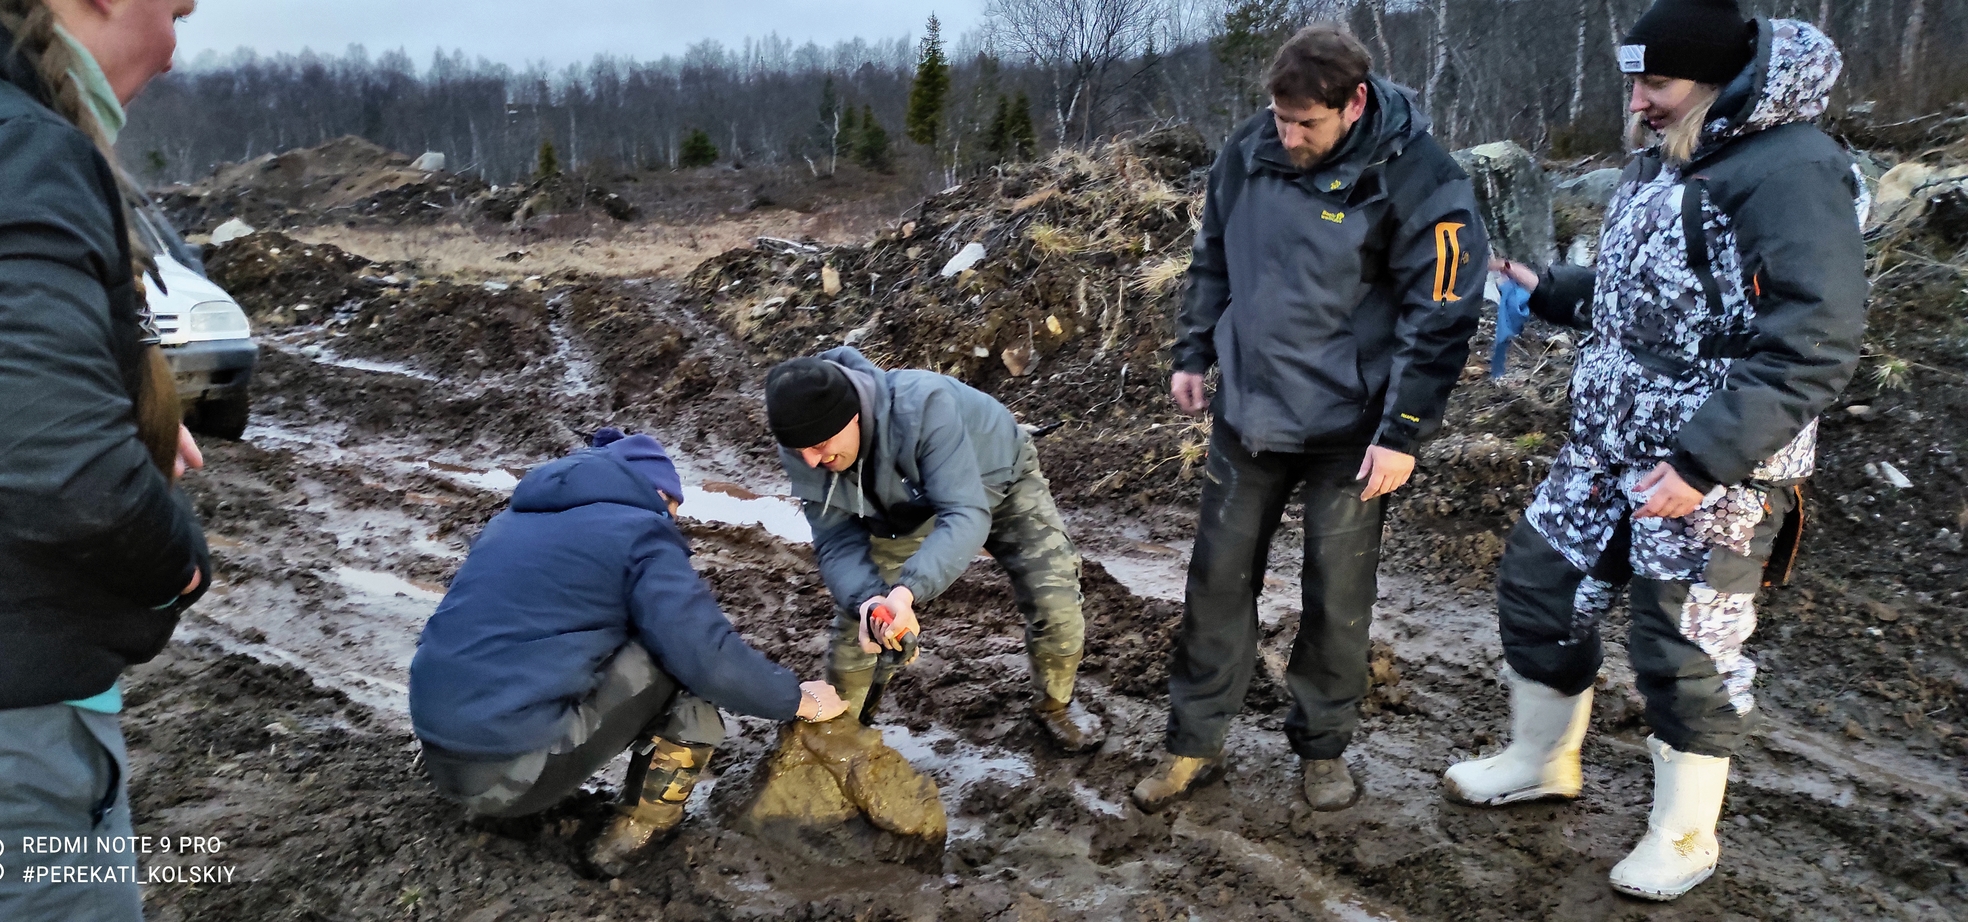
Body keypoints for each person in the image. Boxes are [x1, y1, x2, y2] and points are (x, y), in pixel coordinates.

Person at [1441, 0, 1867, 902]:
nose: (1638, 101)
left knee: (1684, 645)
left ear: (1719, 85)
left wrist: (1703, 462)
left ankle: (1683, 835)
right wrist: (1547, 288)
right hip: (1607, 445)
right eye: (1632, 79)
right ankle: (1540, 759)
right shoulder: (1671, 152)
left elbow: (1815, 341)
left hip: (1715, 467)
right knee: (1539, 582)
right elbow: (1652, 291)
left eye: (1658, 84)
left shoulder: (1790, 170)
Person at [1135, 24, 1486, 814]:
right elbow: (1213, 253)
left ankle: (1323, 747)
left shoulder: (1417, 175)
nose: (1287, 137)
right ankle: (1193, 743)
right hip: (1248, 412)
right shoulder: (1250, 148)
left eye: (1307, 125)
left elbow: (1443, 313)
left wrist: (1404, 431)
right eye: (1279, 118)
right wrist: (1193, 353)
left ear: (1354, 103)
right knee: (1216, 584)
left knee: (1337, 594)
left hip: (1351, 434)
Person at [0, 0, 210, 918]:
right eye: (175, 6)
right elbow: (63, 475)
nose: (185, 22)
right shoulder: (8, 145)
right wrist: (180, 566)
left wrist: (93, 389)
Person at [409, 429, 847, 877]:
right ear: (657, 492)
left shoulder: (509, 524)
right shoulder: (640, 530)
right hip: (507, 776)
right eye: (674, 509)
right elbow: (709, 659)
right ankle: (639, 831)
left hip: (440, 758)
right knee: (675, 662)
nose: (674, 521)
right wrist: (797, 699)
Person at [763, 347, 1105, 752]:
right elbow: (836, 539)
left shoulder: (923, 407)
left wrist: (907, 591)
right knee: (865, 620)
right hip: (906, 506)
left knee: (1053, 598)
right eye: (798, 450)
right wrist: (872, 602)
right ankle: (842, 728)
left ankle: (1054, 704)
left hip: (999, 479)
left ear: (852, 415)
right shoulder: (805, 445)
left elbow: (965, 514)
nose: (811, 460)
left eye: (820, 445)